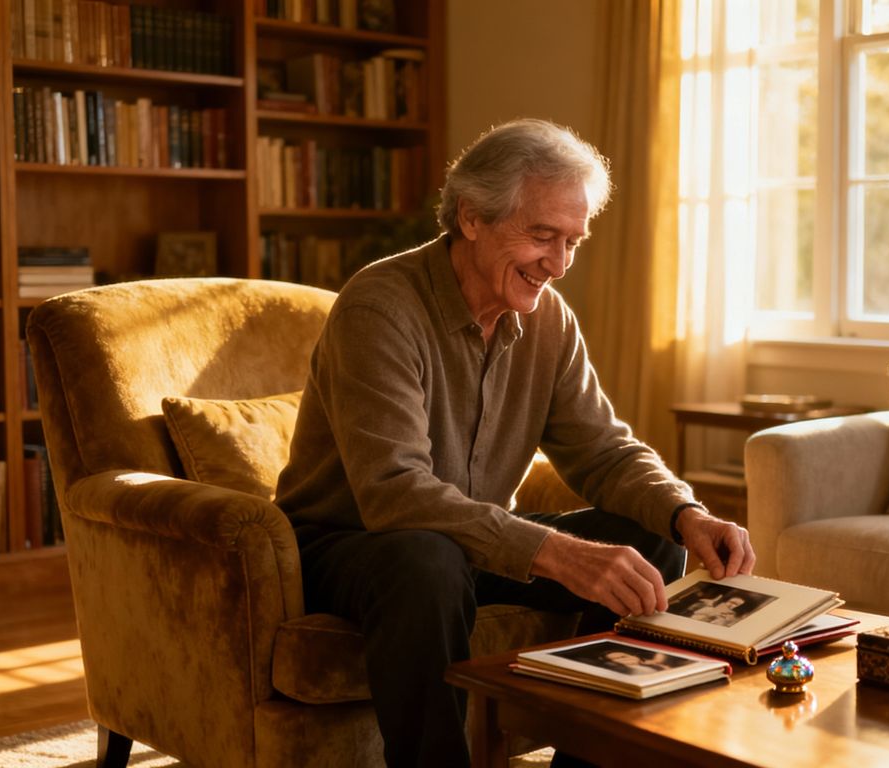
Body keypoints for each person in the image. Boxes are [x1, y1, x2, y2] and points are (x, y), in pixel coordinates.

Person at [274, 118, 755, 768]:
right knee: (426, 560)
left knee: (650, 538)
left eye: (572, 241)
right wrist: (555, 552)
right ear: (471, 217)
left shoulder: (549, 320)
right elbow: (394, 493)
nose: (558, 264)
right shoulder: (379, 308)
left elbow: (605, 451)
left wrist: (685, 512)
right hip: (349, 545)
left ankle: (588, 758)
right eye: (542, 236)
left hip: (469, 543)